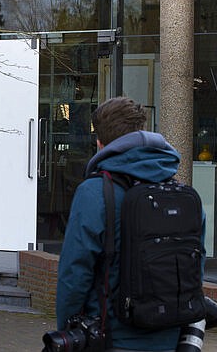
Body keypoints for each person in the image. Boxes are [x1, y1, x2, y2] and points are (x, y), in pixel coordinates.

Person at [56, 97, 204, 352]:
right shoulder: (182, 194)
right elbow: (196, 268)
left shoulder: (94, 192)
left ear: (100, 143)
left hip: (111, 338)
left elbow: (74, 274)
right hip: (171, 338)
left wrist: (67, 331)